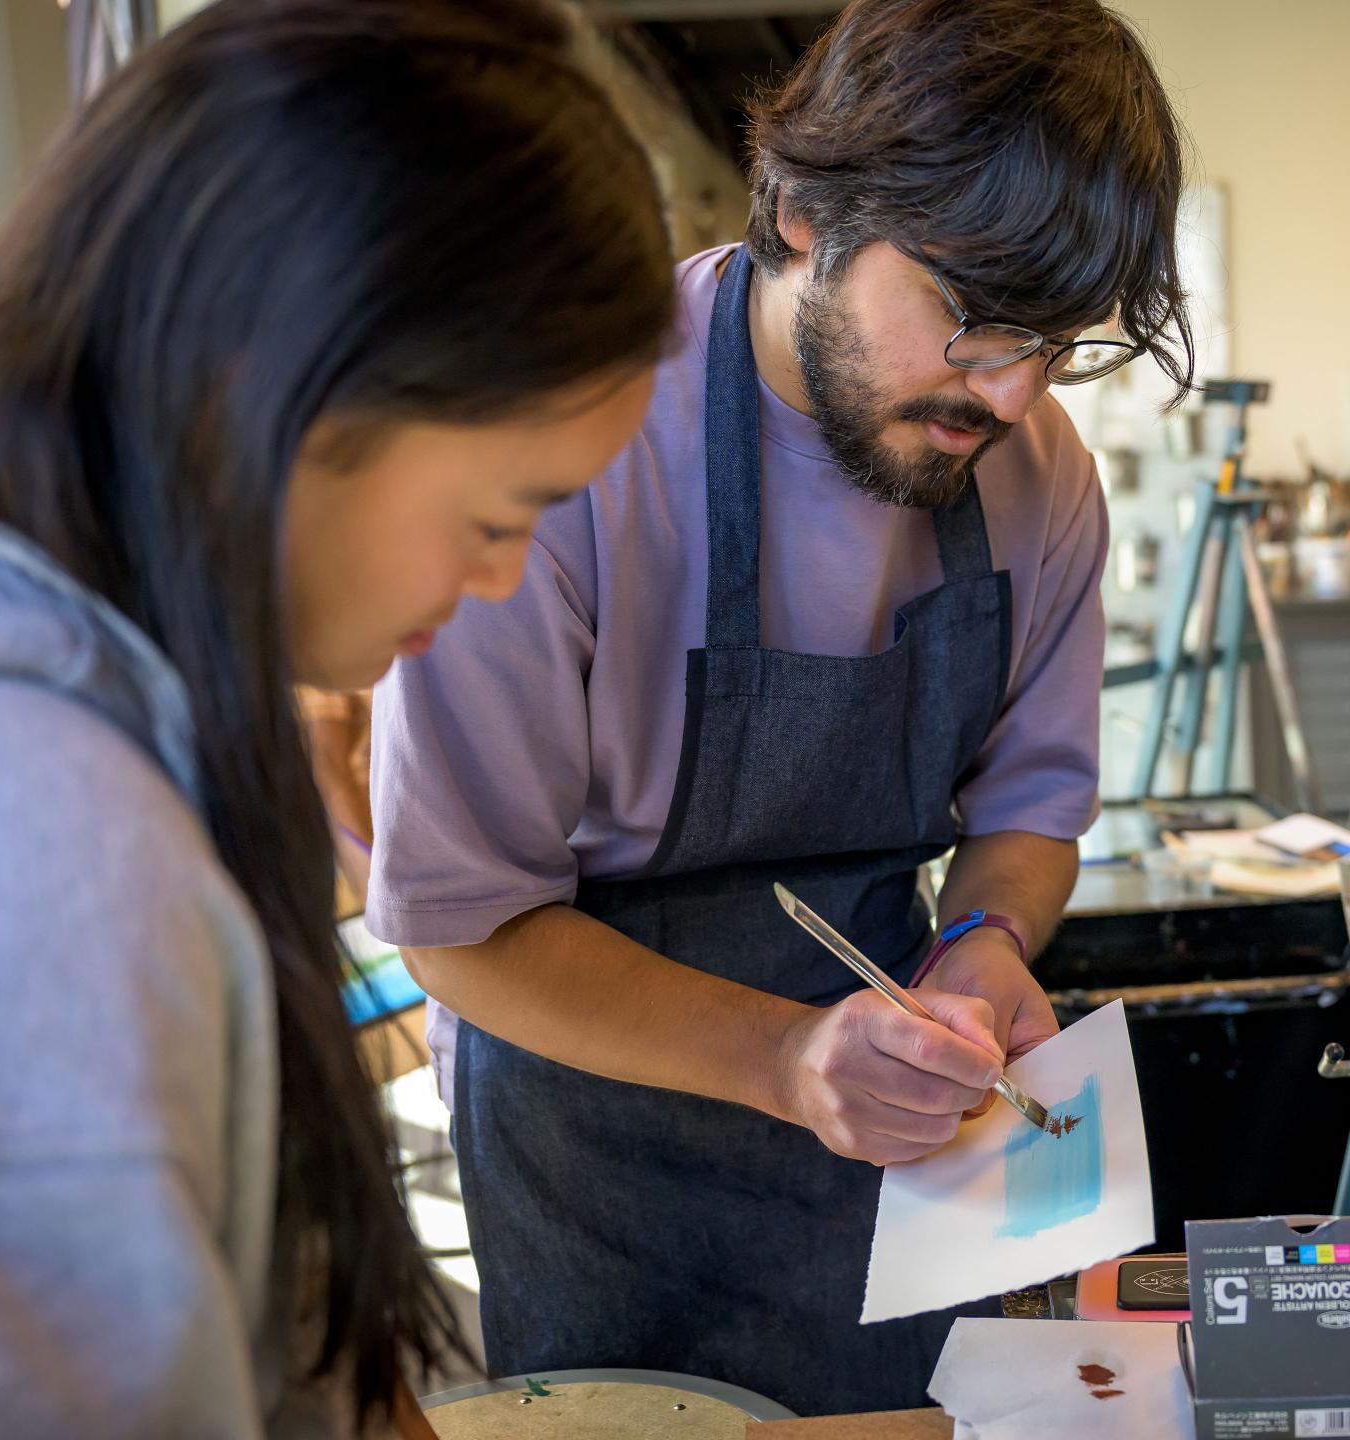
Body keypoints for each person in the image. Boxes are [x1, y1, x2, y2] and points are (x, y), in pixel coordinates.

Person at [370, 0, 1194, 1416]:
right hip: (594, 1140)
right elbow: (458, 926)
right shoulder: (572, 452)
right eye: (976, 318)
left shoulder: (1039, 476)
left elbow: (1029, 812)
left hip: (904, 1138)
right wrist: (781, 1058)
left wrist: (987, 944)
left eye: (1057, 339)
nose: (1013, 391)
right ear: (809, 208)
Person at [0, 0, 673, 1434]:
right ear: (274, 394)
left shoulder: (115, 693)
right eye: (496, 514)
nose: (502, 579)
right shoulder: (36, 844)